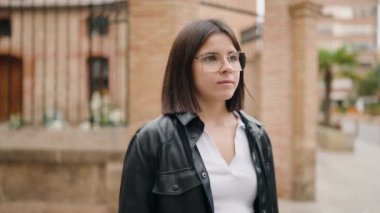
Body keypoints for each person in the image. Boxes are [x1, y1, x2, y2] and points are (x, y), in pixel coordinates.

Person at [119, 19, 278, 213]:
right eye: (211, 58)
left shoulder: (257, 135)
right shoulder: (151, 141)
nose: (227, 67)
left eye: (233, 57)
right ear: (184, 66)